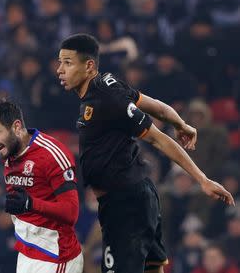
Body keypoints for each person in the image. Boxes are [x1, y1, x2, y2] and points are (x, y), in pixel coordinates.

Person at [56, 33, 235, 273]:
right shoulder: (108, 84)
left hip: (125, 203)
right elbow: (156, 106)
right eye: (60, 62)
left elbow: (157, 139)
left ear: (89, 66)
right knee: (152, 269)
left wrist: (202, 179)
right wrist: (181, 124)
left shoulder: (107, 98)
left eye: (67, 63)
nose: (60, 69)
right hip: (132, 197)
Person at [0, 99, 83, 273]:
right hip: (26, 253)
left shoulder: (51, 154)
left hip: (55, 257)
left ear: (17, 127)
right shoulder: (8, 152)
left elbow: (71, 212)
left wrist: (30, 204)